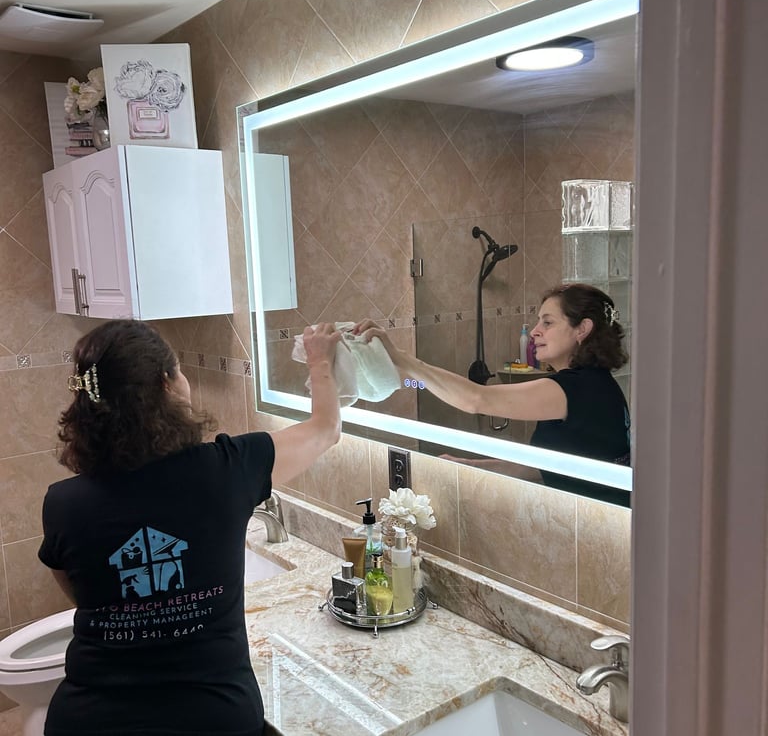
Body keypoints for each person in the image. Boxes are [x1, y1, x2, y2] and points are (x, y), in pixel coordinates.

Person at [39, 319, 342, 736]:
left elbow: (84, 593)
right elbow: (326, 429)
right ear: (167, 385)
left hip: (90, 720)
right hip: (213, 717)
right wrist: (319, 360)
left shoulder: (63, 504)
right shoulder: (229, 470)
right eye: (179, 370)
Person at [353, 283, 630, 506]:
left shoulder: (575, 389)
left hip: (606, 527)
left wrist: (402, 358)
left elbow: (477, 399)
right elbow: (543, 468)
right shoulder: (594, 383)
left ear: (582, 329)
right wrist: (468, 465)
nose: (535, 331)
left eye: (547, 323)